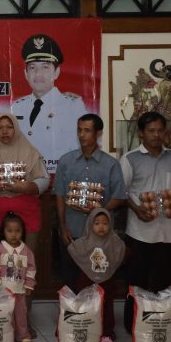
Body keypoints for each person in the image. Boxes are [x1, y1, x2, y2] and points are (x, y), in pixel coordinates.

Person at [120, 111, 171, 331]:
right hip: (140, 230)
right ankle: (133, 324)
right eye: (151, 131)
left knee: (164, 280)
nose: (156, 135)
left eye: (160, 130)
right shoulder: (130, 158)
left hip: (169, 230)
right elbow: (121, 191)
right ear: (141, 133)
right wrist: (136, 209)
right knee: (137, 279)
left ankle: (163, 325)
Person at [54, 114, 127, 281]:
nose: (82, 135)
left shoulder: (111, 164)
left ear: (98, 133)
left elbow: (119, 197)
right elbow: (59, 194)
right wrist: (62, 226)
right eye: (79, 130)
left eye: (87, 130)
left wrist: (98, 211)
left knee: (98, 280)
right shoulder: (66, 161)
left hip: (100, 233)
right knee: (71, 280)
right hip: (72, 231)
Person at [11, 34, 88, 173]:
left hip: (60, 176)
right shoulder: (17, 107)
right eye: (32, 68)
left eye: (45, 67)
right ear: (25, 74)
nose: (38, 74)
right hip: (24, 177)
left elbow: (81, 149)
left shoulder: (73, 106)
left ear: (56, 72)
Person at [0, 114, 49, 257]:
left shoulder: (31, 152)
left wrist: (26, 187)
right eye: (0, 128)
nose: (4, 131)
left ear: (16, 128)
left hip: (26, 216)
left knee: (24, 263)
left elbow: (44, 180)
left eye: (9, 127)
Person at [68, 207, 127, 342]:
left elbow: (121, 252)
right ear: (90, 225)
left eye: (105, 223)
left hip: (107, 281)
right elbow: (73, 249)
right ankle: (86, 331)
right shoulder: (84, 242)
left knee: (106, 307)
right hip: (87, 281)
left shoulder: (114, 241)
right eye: (97, 223)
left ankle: (106, 334)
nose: (101, 227)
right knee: (86, 305)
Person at [0, 212, 36, 342]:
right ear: (3, 232)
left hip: (20, 290)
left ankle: (23, 335)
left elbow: (31, 269)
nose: (14, 235)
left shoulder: (26, 251)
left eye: (17, 231)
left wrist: (29, 285)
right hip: (3, 290)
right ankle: (6, 335)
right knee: (5, 313)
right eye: (9, 231)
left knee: (21, 314)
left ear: (22, 232)